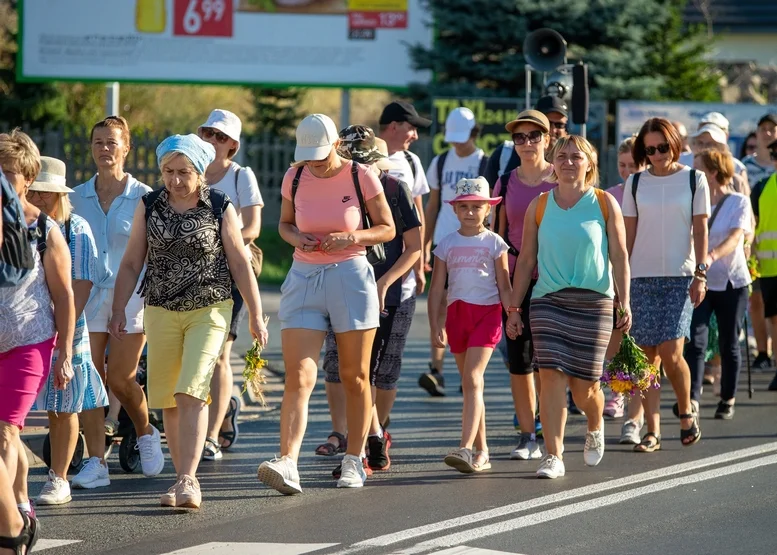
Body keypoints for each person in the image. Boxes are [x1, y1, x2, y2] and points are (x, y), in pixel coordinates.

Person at [110, 134, 268, 508]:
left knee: (192, 388)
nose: (175, 180)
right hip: (161, 309)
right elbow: (133, 261)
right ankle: (181, 479)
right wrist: (119, 308)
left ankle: (187, 480)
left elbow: (239, 262)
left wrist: (257, 315)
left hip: (210, 308)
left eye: (183, 172)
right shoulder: (149, 206)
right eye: (168, 171)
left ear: (199, 172)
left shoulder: (219, 205)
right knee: (168, 397)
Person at [257, 114, 394, 493]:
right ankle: (287, 462)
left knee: (354, 376)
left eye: (321, 155)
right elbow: (284, 224)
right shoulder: (294, 176)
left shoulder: (360, 175)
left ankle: (354, 460)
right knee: (298, 376)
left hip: (350, 274)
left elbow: (387, 227)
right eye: (308, 156)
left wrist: (351, 235)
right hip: (304, 277)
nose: (314, 163)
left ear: (336, 145)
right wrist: (296, 238)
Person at [506, 135, 631, 479]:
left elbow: (619, 255)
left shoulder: (604, 203)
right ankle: (554, 455)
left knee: (585, 386)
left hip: (594, 301)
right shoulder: (540, 205)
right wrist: (514, 309)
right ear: (553, 161)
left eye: (576, 157)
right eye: (561, 156)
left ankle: (594, 424)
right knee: (550, 378)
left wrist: (625, 300)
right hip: (548, 300)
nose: (568, 162)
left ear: (589, 163)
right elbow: (527, 257)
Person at [317, 126, 421, 475]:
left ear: (380, 162)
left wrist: (386, 281)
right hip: (343, 290)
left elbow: (414, 248)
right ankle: (365, 442)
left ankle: (366, 445)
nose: (361, 169)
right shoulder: (336, 188)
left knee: (375, 372)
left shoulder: (394, 189)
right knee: (349, 371)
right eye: (352, 161)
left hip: (389, 293)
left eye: (367, 162)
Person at [70, 116, 162, 489]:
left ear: (126, 149)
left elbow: (153, 253)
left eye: (112, 143)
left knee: (121, 379)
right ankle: (96, 462)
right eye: (98, 143)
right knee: (90, 379)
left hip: (130, 298)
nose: (105, 149)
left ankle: (145, 430)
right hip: (87, 297)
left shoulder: (145, 196)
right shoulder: (75, 197)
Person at [0, 130, 74, 550]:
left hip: (29, 343)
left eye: (10, 173)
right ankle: (22, 503)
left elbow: (63, 295)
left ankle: (8, 528)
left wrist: (64, 352)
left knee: (6, 434)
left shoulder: (44, 230)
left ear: (28, 178)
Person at [621, 117, 710, 453]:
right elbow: (627, 235)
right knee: (645, 358)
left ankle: (686, 412)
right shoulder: (635, 183)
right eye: (650, 149)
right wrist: (621, 280)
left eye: (662, 147)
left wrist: (701, 274)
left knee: (672, 353)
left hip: (680, 277)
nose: (657, 154)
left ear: (674, 143)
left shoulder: (693, 179)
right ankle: (652, 430)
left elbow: (700, 230)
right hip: (640, 277)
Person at [27, 157, 108, 506]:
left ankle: (58, 478)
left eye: (47, 192)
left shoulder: (77, 229)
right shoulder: (22, 226)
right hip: (24, 325)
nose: (40, 198)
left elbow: (82, 285)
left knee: (62, 406)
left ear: (60, 194)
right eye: (34, 191)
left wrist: (65, 332)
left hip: (67, 326)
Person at [428, 177, 510, 473]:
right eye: (464, 207)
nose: (471, 212)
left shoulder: (494, 242)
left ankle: (464, 448)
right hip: (457, 315)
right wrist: (435, 324)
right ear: (455, 210)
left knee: (473, 379)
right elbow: (437, 288)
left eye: (477, 207)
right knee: (470, 385)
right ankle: (483, 450)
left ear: (487, 209)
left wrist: (512, 314)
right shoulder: (446, 244)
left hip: (487, 313)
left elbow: (504, 283)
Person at [196, 109, 264, 461]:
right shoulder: (187, 172)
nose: (212, 140)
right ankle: (222, 413)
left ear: (232, 144)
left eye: (220, 137)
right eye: (208, 133)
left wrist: (223, 244)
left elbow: (253, 226)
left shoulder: (241, 176)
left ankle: (208, 435)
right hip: (190, 274)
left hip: (230, 272)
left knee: (220, 353)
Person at [493, 110, 555, 460]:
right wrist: (504, 290)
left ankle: (547, 426)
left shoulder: (560, 177)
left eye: (534, 136)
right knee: (519, 360)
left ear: (547, 139)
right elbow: (498, 238)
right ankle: (527, 434)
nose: (527, 143)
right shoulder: (505, 182)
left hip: (555, 279)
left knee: (548, 362)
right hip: (518, 280)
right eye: (520, 137)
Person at [421, 107, 488, 397]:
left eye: (463, 137)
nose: (458, 143)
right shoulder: (440, 161)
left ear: (474, 133)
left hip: (474, 246)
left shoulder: (484, 162)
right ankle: (436, 368)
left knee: (468, 304)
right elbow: (432, 205)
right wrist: (424, 246)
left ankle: (467, 370)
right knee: (440, 302)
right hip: (444, 242)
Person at [685, 149, 752, 419]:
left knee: (728, 342)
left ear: (712, 172)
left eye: (698, 169)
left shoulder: (738, 202)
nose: (693, 174)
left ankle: (727, 398)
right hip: (700, 281)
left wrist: (710, 256)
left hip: (731, 282)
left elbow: (737, 238)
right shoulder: (692, 202)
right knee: (696, 341)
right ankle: (692, 398)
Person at [377, 101, 437, 393]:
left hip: (403, 274)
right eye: (411, 127)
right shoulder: (359, 160)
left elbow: (418, 212)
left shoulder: (411, 162)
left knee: (390, 359)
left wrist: (420, 260)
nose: (415, 134)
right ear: (393, 127)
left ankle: (379, 429)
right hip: (364, 270)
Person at [602, 137, 647, 442]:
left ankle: (637, 417)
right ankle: (618, 392)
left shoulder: (650, 192)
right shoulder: (610, 196)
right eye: (622, 165)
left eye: (633, 165)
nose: (628, 171)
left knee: (644, 350)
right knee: (617, 342)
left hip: (647, 276)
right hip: (618, 275)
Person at [743, 114, 777, 371]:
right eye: (762, 129)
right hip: (758, 249)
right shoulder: (746, 167)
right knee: (757, 302)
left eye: (772, 129)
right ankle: (762, 352)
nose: (767, 133)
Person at [483, 96, 569, 189]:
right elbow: (489, 199)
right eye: (520, 136)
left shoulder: (572, 160)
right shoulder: (504, 154)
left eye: (559, 125)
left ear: (546, 140)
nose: (553, 130)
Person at [751, 138, 777, 390]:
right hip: (770, 269)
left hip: (770, 269)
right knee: (775, 320)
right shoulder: (761, 187)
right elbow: (753, 225)